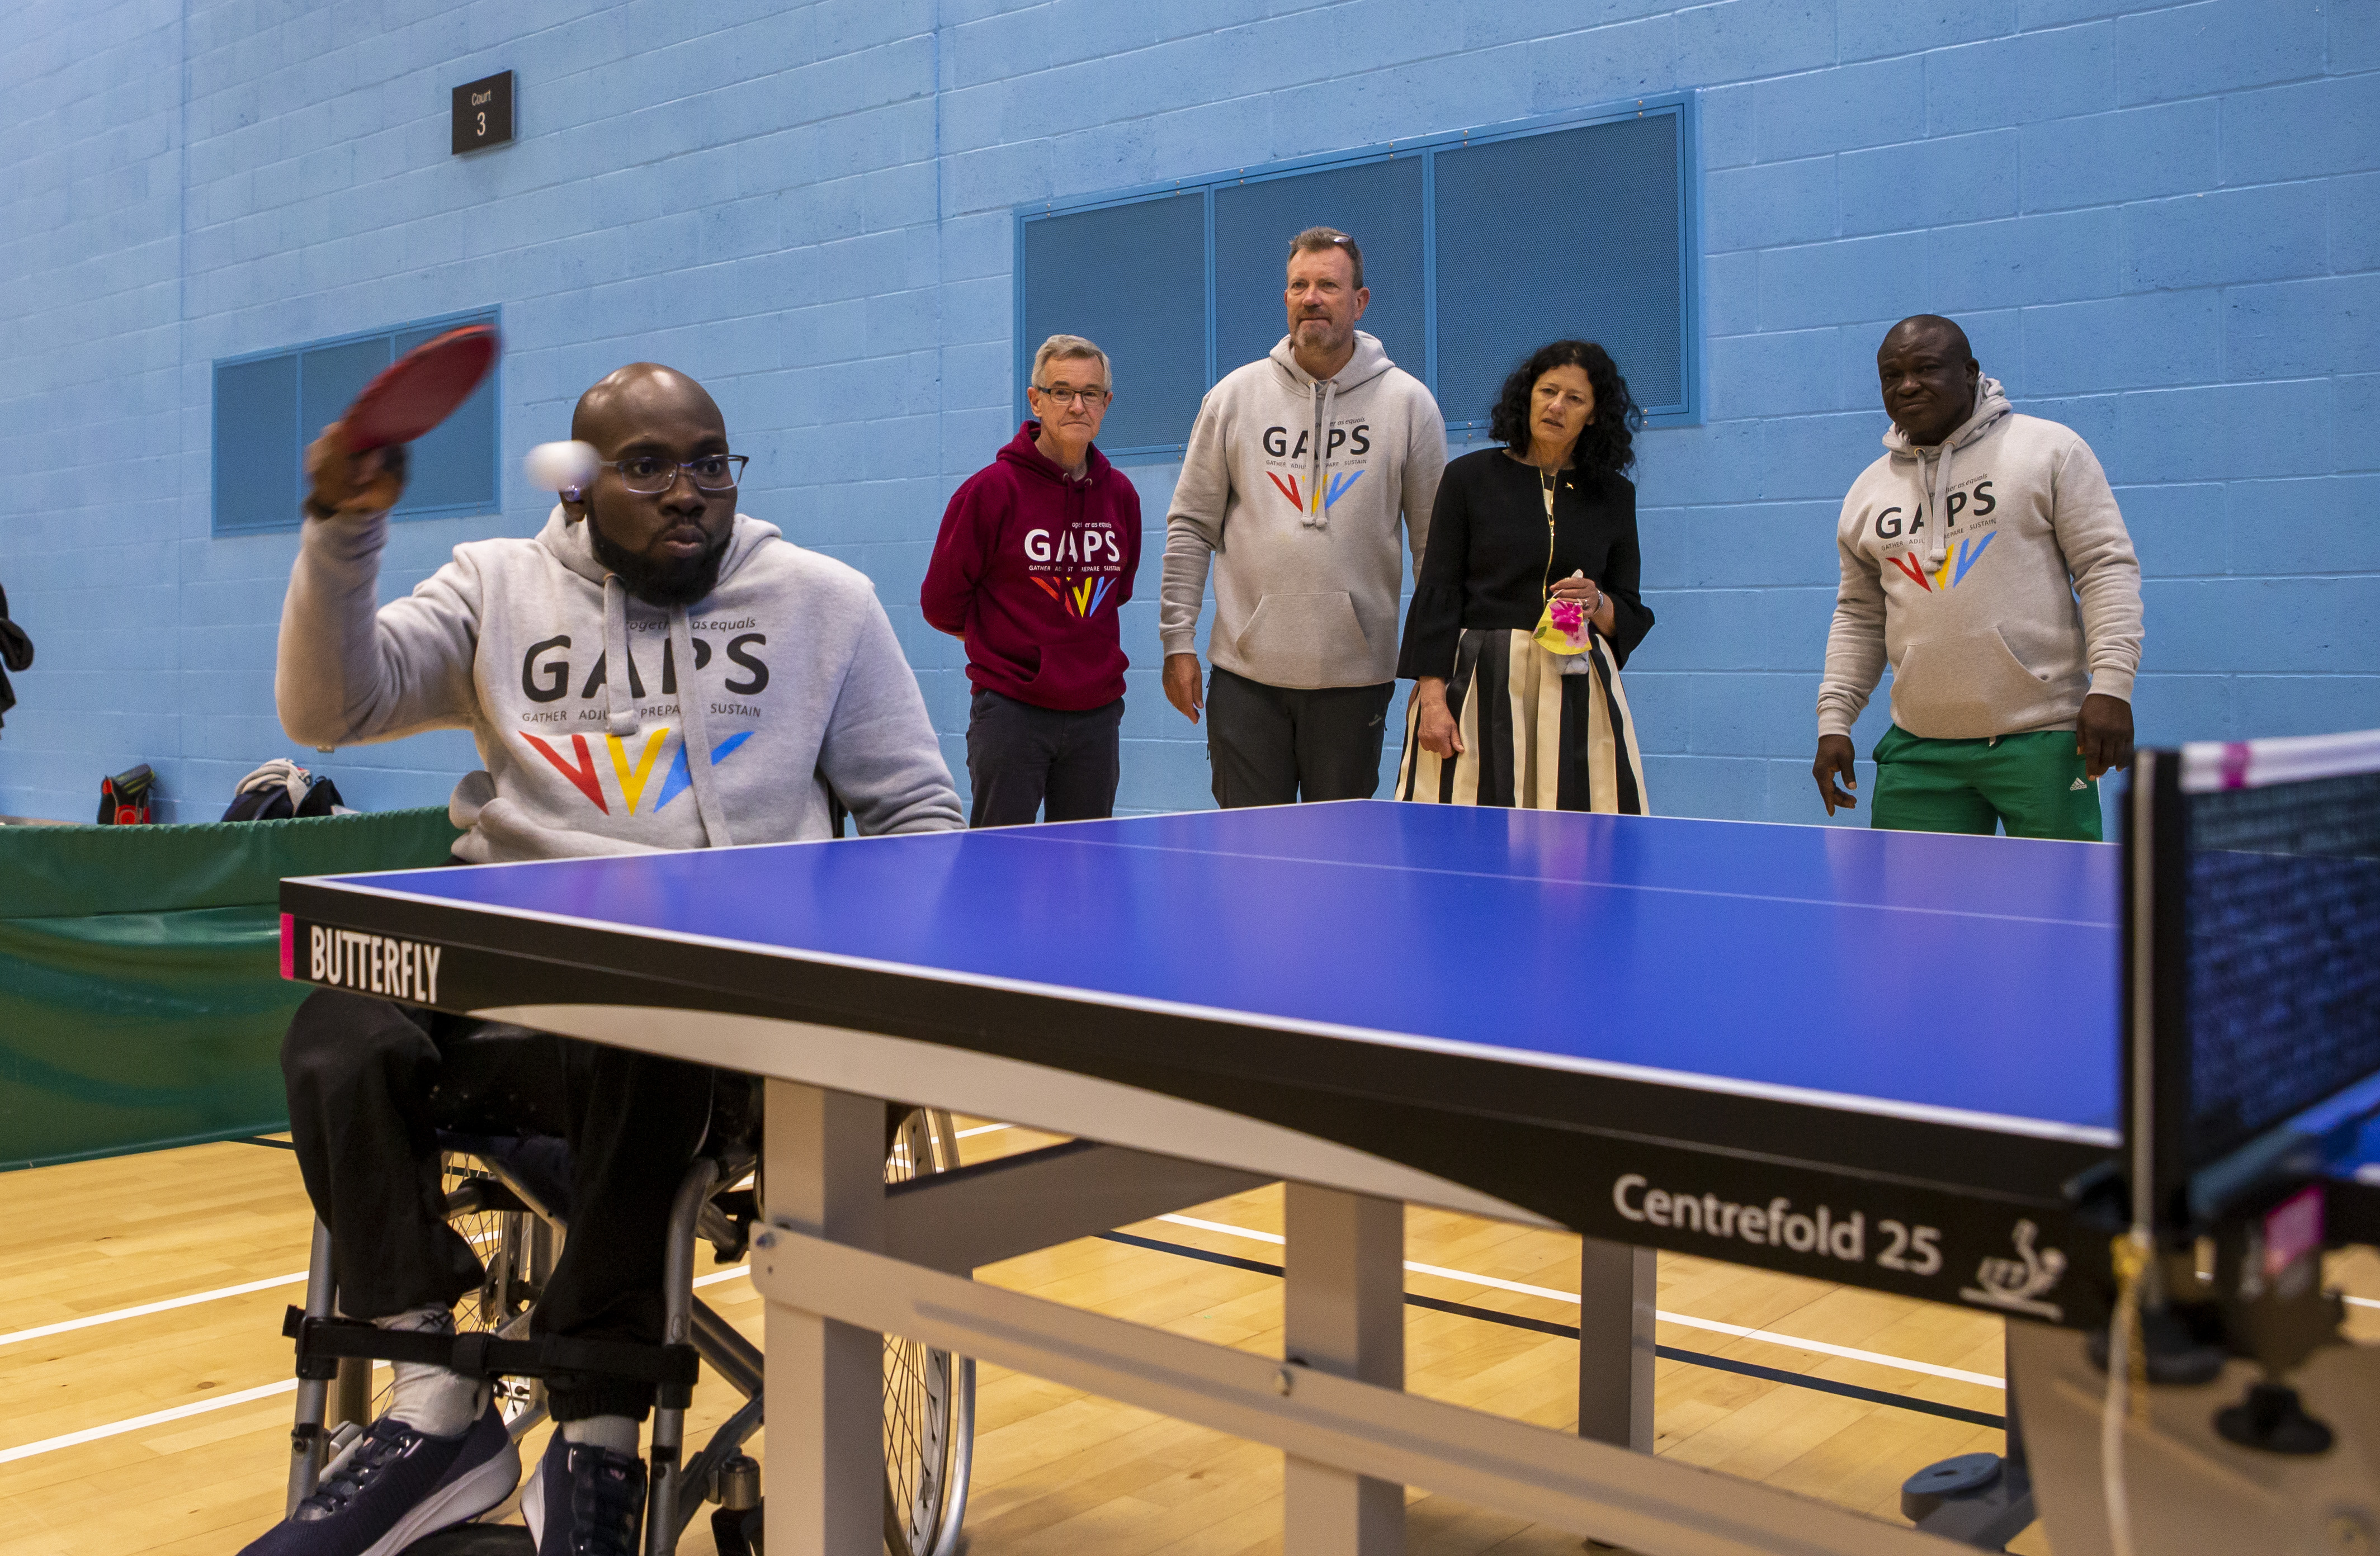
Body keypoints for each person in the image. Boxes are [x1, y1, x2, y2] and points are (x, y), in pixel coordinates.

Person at [245, 363, 962, 1556]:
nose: (688, 493)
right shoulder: (496, 586)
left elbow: (922, 823)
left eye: (711, 464)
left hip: (700, 1019)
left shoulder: (824, 602)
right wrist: (343, 529)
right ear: (577, 488)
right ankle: (434, 1401)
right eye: (649, 467)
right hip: (506, 992)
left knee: (656, 1009)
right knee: (340, 1023)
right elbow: (328, 706)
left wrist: (828, 960)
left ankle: (598, 1431)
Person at [1813, 315, 2142, 838]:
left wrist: (2113, 687)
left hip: (2042, 738)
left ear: (1970, 372)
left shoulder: (2050, 450)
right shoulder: (1868, 491)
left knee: (2056, 914)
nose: (1908, 385)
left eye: (1926, 368)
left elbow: (2106, 569)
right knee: (1911, 919)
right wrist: (1835, 719)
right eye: (1891, 376)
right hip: (1919, 747)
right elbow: (1858, 615)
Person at [1159, 226, 1447, 806]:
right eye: (1299, 285)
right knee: (1249, 858)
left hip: (1355, 682)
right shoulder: (1233, 397)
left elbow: (1433, 551)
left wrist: (1434, 672)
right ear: (1285, 298)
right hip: (1245, 678)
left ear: (1359, 301)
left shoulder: (1408, 404)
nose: (1311, 297)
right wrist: (1176, 642)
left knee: (1337, 861)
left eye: (1327, 285)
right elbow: (1190, 524)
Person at [1396, 340, 1654, 812]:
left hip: (1576, 684)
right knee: (1466, 829)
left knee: (1577, 840)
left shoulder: (1614, 495)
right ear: (1527, 396)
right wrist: (1432, 697)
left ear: (1594, 415)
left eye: (1575, 398)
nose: (1557, 406)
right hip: (1479, 679)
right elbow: (1438, 590)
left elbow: (1629, 609)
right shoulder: (1468, 478)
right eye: (1548, 391)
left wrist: (1598, 601)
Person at [922, 334, 1140, 826]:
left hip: (1097, 715)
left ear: (1106, 404)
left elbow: (1117, 590)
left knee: (1085, 867)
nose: (1077, 405)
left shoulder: (1121, 495)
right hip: (1011, 713)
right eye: (1062, 391)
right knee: (1001, 869)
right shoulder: (989, 493)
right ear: (1036, 399)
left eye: (1091, 393)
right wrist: (1004, 640)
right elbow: (940, 602)